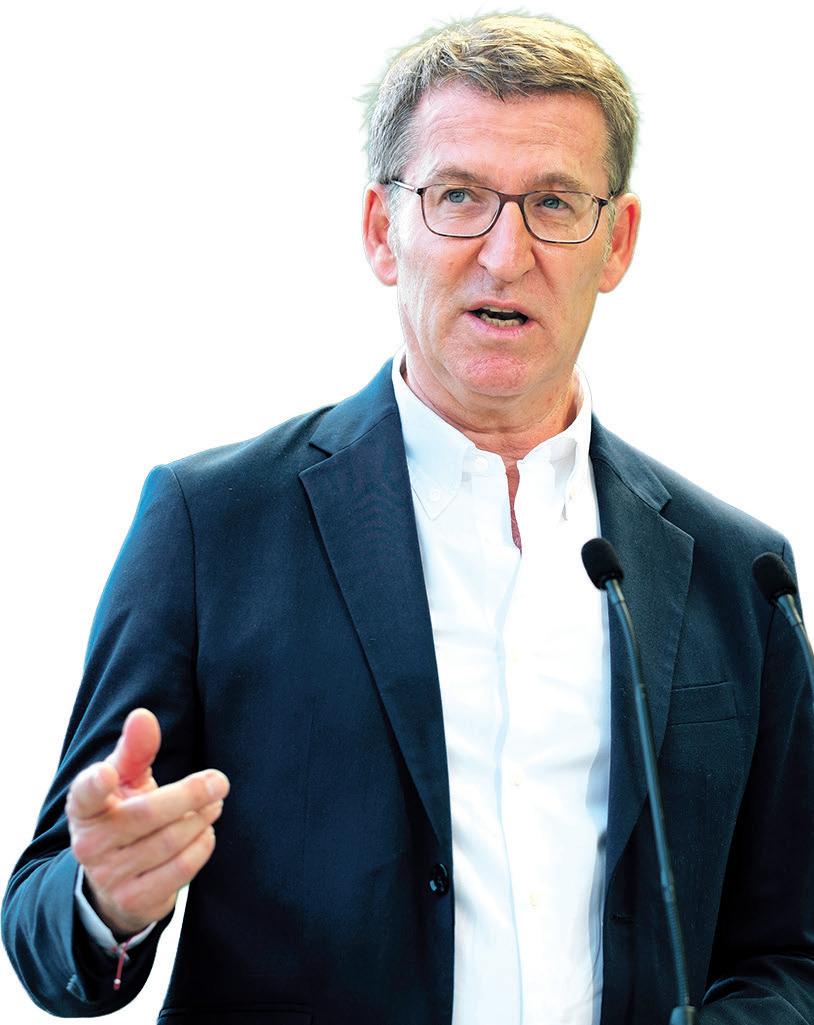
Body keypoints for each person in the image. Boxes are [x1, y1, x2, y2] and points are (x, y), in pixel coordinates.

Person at [3, 12, 814, 1025]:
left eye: (554, 202)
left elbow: (789, 953)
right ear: (383, 231)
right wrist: (102, 900)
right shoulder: (213, 527)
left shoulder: (738, 572)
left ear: (617, 241)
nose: (506, 254)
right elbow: (42, 916)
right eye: (458, 196)